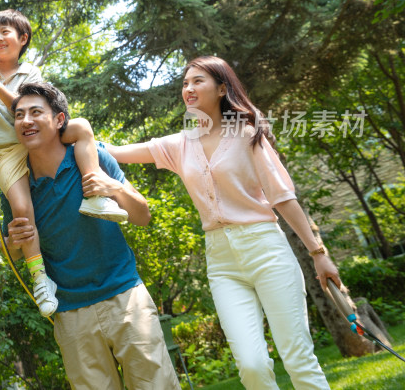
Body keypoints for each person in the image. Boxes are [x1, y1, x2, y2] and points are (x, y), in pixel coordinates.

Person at [106, 56, 340, 390]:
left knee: (298, 358)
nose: (188, 88)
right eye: (185, 83)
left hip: (265, 249)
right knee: (251, 366)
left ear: (221, 89)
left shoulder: (247, 134)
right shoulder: (179, 144)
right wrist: (74, 133)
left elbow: (282, 197)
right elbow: (114, 152)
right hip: (222, 261)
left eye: (198, 81)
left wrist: (318, 252)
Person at [3, 81, 182, 390]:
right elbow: (14, 253)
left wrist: (113, 188)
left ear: (60, 120)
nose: (26, 121)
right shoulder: (16, 186)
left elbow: (143, 216)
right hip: (70, 315)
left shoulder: (93, 157)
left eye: (35, 112)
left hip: (125, 297)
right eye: (19, 115)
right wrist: (14, 241)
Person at [0, 9, 127, 318]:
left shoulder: (31, 73)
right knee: (22, 210)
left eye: (5, 33)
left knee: (80, 127)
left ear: (22, 39)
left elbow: (25, 107)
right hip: (6, 149)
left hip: (39, 136)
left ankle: (96, 196)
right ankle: (40, 278)